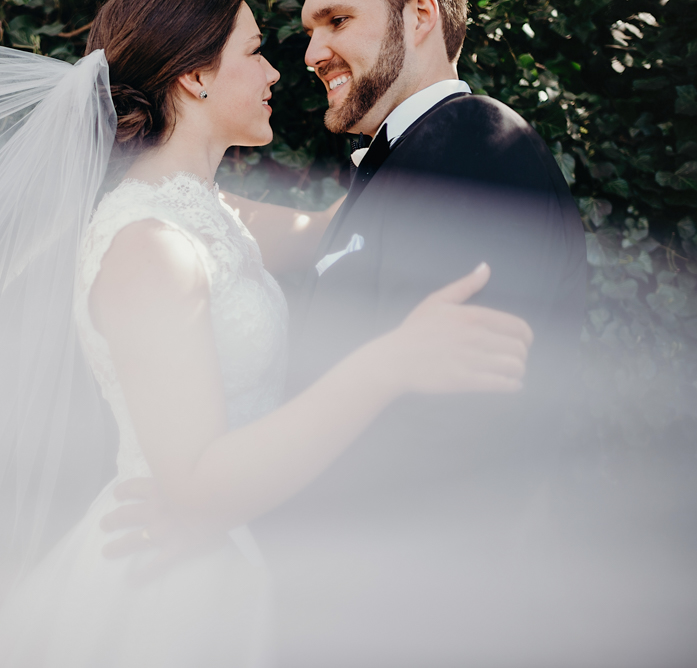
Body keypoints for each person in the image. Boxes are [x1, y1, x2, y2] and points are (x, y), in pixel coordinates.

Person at [0, 1, 532, 666]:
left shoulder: (208, 217)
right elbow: (195, 484)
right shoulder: (150, 248)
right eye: (253, 51)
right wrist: (386, 363)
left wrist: (425, 130)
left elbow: (344, 232)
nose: (278, 68)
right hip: (171, 583)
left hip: (242, 560)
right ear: (198, 78)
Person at [100, 0, 587, 663]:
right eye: (306, 32)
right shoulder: (400, 166)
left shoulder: (476, 149)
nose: (307, 56)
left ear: (420, 16)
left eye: (336, 21)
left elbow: (444, 445)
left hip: (414, 620)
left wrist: (221, 508)